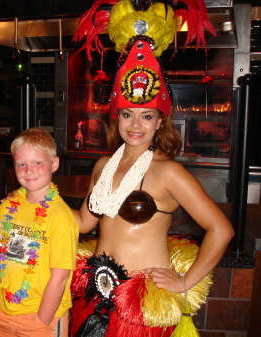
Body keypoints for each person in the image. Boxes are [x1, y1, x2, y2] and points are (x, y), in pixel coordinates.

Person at [70, 0, 235, 336]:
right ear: (116, 117)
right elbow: (85, 222)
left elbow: (222, 230)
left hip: (139, 305)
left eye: (146, 116)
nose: (136, 125)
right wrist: (40, 198)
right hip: (95, 293)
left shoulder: (168, 173)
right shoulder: (103, 164)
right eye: (128, 114)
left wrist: (186, 281)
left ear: (160, 122)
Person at [0, 128, 79, 337]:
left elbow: (60, 278)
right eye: (22, 164)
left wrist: (40, 322)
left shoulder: (60, 217)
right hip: (1, 311)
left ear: (54, 164)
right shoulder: (7, 207)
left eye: (38, 163)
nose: (29, 170)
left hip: (40, 317)